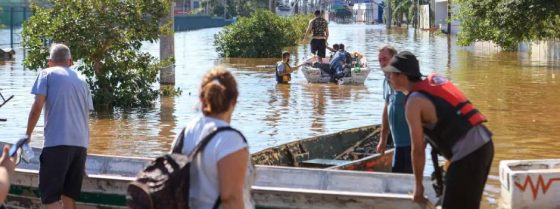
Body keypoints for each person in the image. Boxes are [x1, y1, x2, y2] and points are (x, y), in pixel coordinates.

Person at [382, 51, 494, 209]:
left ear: (403, 77)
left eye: (391, 74)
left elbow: (418, 150)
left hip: (469, 153)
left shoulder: (413, 103)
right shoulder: (433, 81)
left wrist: (418, 186)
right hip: (485, 144)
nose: (388, 78)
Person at [170, 68, 255, 209]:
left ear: (201, 98)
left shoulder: (185, 132)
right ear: (235, 99)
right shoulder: (231, 140)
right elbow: (230, 199)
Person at [25, 44, 93, 209]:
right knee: (69, 195)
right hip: (80, 147)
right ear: (71, 61)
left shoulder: (46, 74)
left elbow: (37, 108)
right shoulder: (83, 80)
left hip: (57, 144)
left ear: (50, 62)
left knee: (50, 196)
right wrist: (83, 152)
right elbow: (86, 117)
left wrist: (27, 136)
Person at [376, 46, 413, 174]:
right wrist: (383, 139)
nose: (382, 63)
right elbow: (387, 109)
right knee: (397, 182)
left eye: (385, 59)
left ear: (394, 59)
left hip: (411, 145)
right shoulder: (386, 82)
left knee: (408, 183)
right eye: (380, 60)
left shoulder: (404, 80)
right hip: (397, 145)